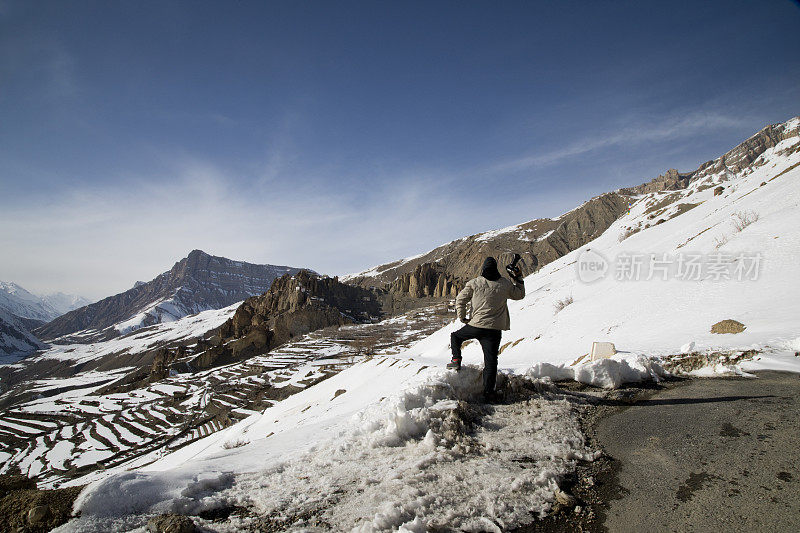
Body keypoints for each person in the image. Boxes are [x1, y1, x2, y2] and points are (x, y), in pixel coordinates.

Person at [449, 256, 525, 402]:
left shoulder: (475, 283)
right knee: (490, 362)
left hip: (476, 325)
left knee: (456, 337)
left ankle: (456, 360)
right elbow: (519, 295)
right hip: (494, 330)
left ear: (483, 268)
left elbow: (460, 299)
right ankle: (489, 393)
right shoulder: (504, 284)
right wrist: (518, 278)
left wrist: (462, 317)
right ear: (496, 268)